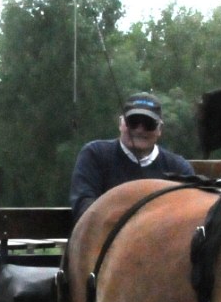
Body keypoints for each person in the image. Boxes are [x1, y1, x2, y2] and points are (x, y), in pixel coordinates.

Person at [69, 91, 195, 222]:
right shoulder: (94, 154)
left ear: (160, 128)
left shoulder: (179, 168)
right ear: (120, 123)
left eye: (148, 123)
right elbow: (84, 206)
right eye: (132, 122)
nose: (140, 130)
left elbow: (189, 214)